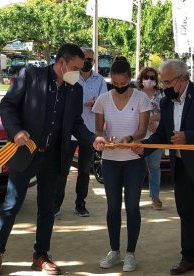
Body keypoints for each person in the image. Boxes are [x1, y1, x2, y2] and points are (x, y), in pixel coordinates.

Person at [0, 43, 97, 275]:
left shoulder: (74, 88)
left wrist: (93, 139)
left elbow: (76, 121)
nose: (80, 72)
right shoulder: (30, 76)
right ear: (62, 62)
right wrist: (16, 131)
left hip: (54, 156)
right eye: (76, 67)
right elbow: (7, 106)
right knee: (12, 204)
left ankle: (41, 255)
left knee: (47, 208)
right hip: (26, 152)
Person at [131, 59, 194, 276]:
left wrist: (189, 137)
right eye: (163, 82)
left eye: (167, 82)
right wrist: (144, 147)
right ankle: (188, 258)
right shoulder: (167, 103)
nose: (164, 86)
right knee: (186, 214)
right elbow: (162, 134)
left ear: (182, 79)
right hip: (182, 168)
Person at [92, 57, 151, 272]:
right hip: (110, 161)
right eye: (115, 84)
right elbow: (99, 130)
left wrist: (129, 138)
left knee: (133, 207)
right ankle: (114, 250)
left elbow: (142, 131)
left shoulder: (141, 98)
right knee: (113, 207)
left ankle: (130, 253)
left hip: (134, 160)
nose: (119, 87)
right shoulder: (103, 100)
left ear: (129, 78)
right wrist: (102, 139)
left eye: (122, 82)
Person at [54, 47, 107, 217]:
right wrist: (85, 102)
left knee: (84, 171)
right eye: (86, 59)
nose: (88, 63)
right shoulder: (71, 77)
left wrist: (95, 105)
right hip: (69, 133)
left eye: (91, 60)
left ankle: (80, 204)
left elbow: (103, 102)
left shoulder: (99, 80)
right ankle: (55, 205)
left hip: (89, 132)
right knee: (62, 171)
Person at [135, 67, 164, 210]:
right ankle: (135, 197)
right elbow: (133, 113)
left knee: (154, 167)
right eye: (147, 77)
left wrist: (151, 119)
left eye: (153, 77)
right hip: (139, 136)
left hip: (156, 136)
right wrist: (147, 122)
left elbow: (165, 113)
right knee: (138, 168)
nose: (150, 80)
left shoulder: (161, 95)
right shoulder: (135, 95)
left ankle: (155, 196)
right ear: (141, 78)